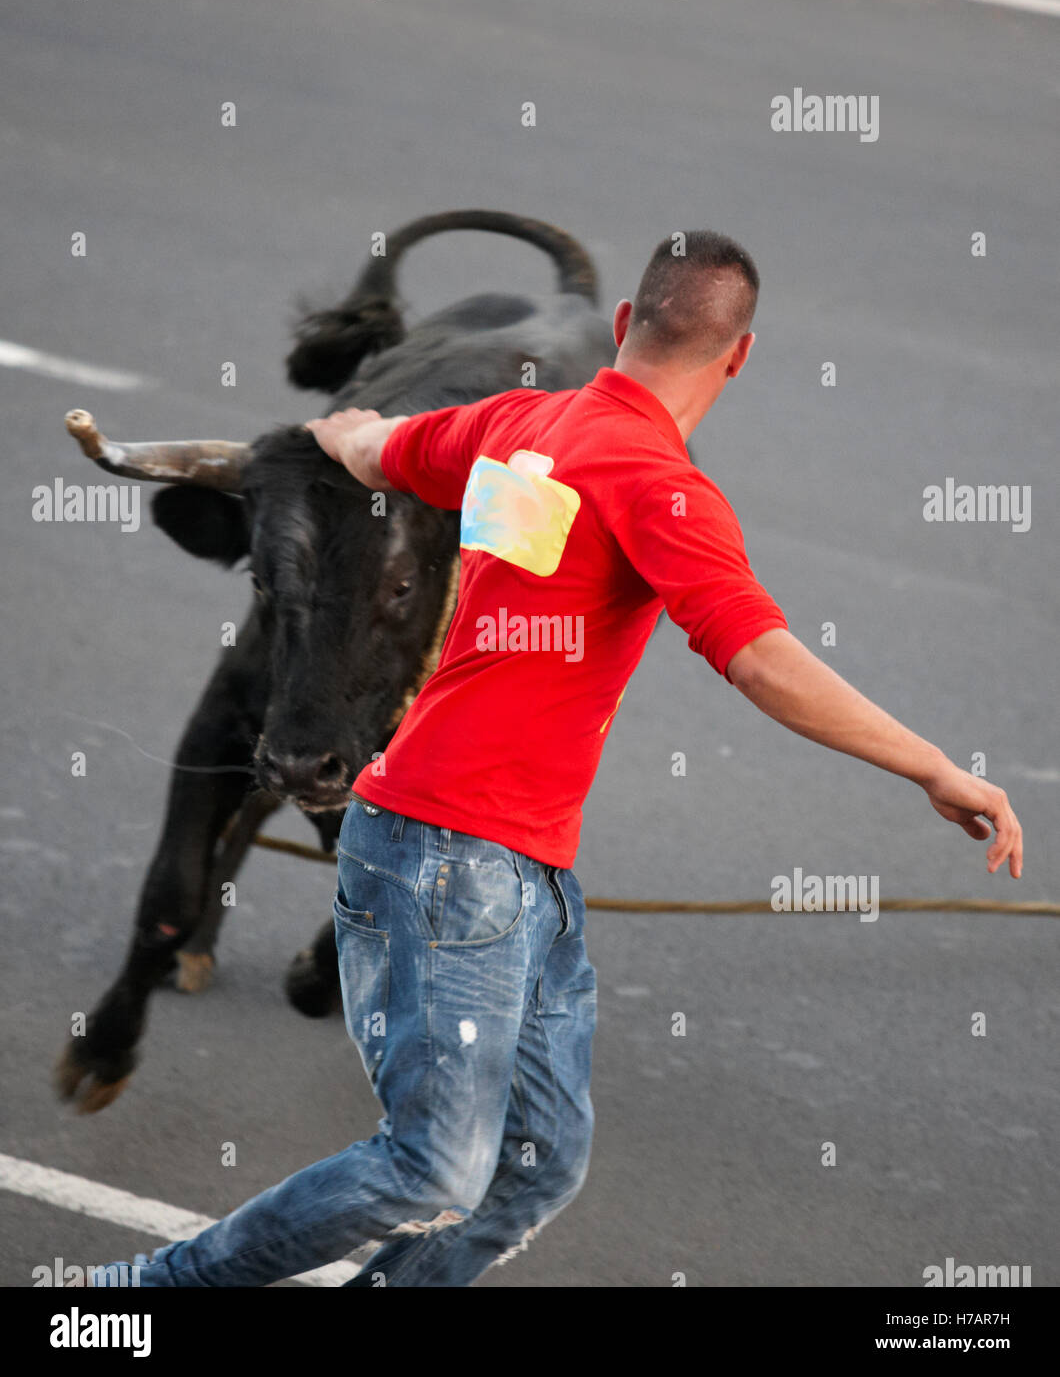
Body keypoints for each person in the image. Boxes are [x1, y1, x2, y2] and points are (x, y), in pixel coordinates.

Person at [85, 231, 1022, 1288]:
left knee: (537, 1167)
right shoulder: (661, 484)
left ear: (623, 324)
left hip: (516, 866)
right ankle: (137, 1300)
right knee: (431, 1168)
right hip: (447, 856)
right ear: (739, 358)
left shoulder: (512, 423)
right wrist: (933, 766)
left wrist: (338, 433)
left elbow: (376, 447)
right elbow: (759, 659)